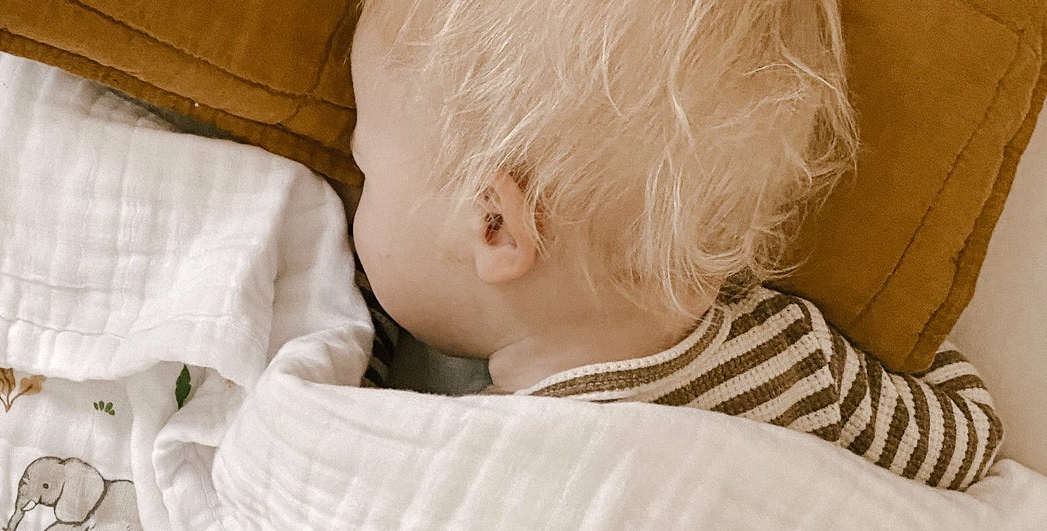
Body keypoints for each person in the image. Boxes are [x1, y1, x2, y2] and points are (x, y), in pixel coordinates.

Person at [342, 0, 1002, 490]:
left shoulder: (436, 447)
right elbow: (968, 440)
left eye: (367, 170)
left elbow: (315, 441)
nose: (350, 207)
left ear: (494, 225)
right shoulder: (800, 366)